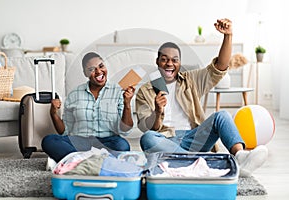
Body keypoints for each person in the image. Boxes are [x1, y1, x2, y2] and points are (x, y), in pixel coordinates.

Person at [135, 18, 268, 177]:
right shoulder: (145, 91)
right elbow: (148, 128)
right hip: (165, 141)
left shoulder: (190, 80)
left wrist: (228, 36)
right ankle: (199, 162)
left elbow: (219, 68)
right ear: (157, 62)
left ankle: (240, 157)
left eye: (174, 60)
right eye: (164, 59)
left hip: (194, 137)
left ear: (179, 63)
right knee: (147, 138)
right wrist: (157, 112)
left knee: (222, 116)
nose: (169, 63)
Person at [42, 52, 135, 163]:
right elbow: (64, 131)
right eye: (92, 69)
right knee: (49, 141)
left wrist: (127, 104)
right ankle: (97, 161)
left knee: (122, 146)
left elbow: (125, 130)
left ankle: (77, 161)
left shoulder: (118, 91)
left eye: (101, 66)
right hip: (79, 142)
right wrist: (53, 113)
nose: (99, 72)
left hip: (107, 141)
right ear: (85, 73)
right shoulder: (74, 94)